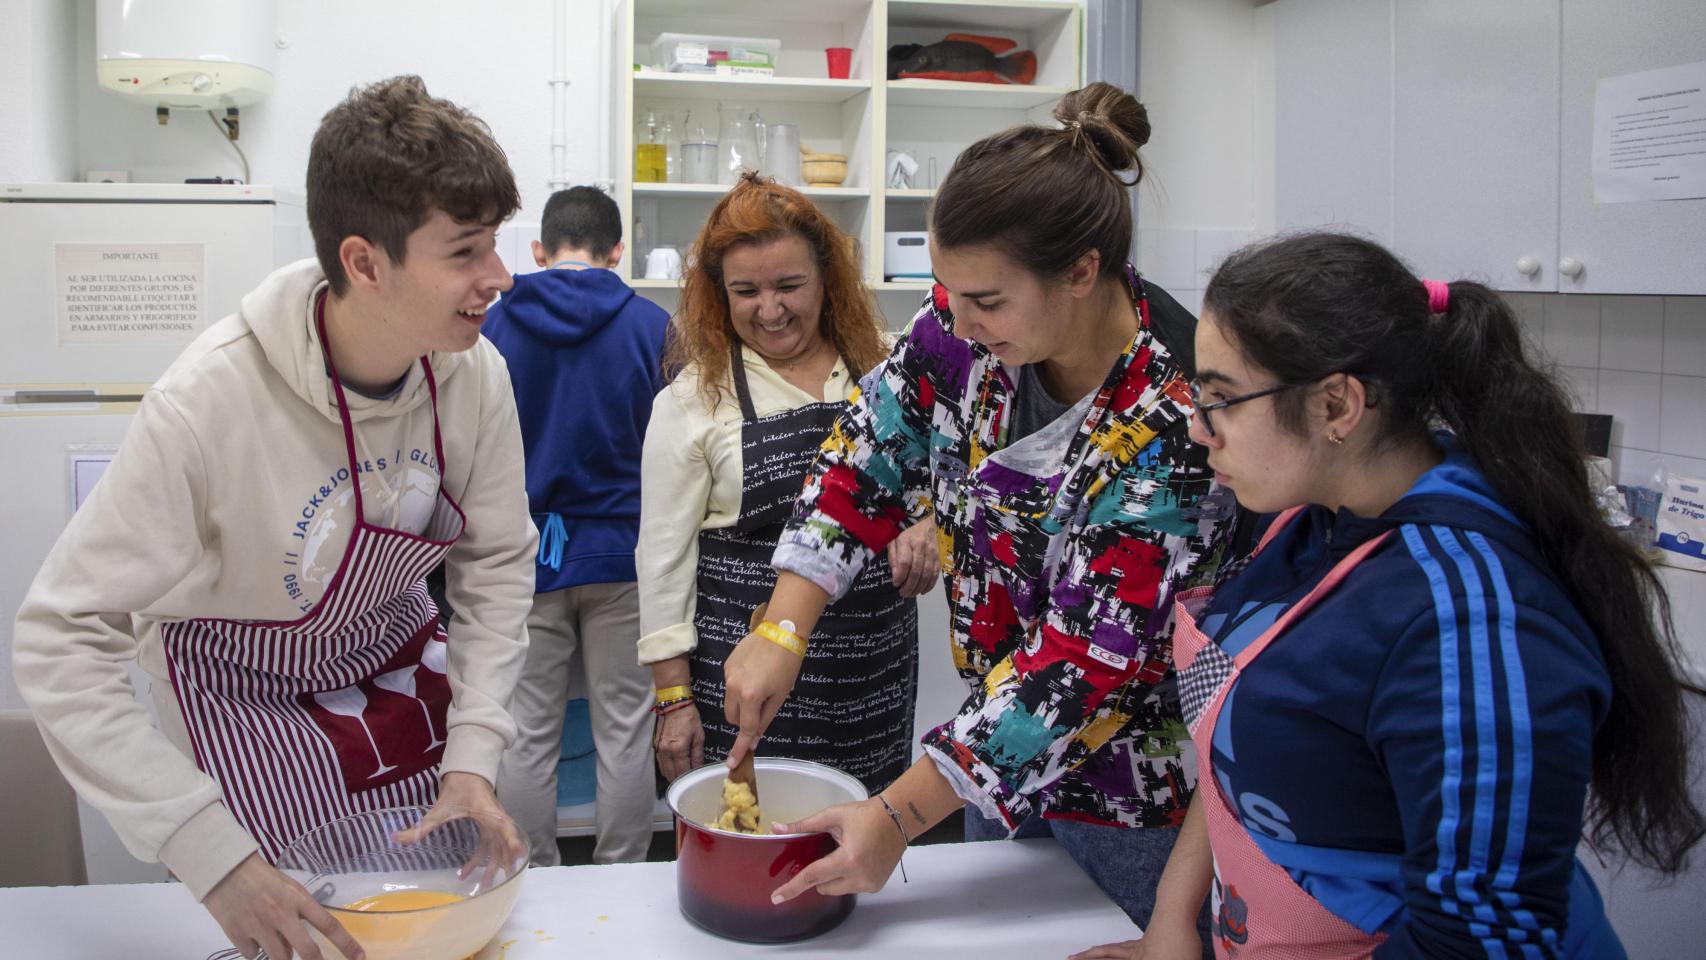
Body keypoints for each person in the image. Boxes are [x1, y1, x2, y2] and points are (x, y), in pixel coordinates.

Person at [12, 76, 537, 960]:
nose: (500, 275)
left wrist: (474, 756)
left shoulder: (472, 376)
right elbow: (57, 638)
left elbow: (495, 564)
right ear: (365, 263)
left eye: (494, 243)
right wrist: (210, 857)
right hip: (243, 714)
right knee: (301, 939)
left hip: (396, 691)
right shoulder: (207, 405)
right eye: (466, 251)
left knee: (429, 931)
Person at [1078, 231, 1705, 959]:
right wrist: (1170, 925)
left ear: (1337, 405)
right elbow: (1234, 740)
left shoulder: (1468, 616)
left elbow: (1479, 938)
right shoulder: (1307, 522)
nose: (1198, 429)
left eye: (1222, 400)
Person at [719, 82, 1233, 940]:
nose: (955, 321)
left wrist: (896, 816)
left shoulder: (1174, 420)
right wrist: (783, 625)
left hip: (1135, 803)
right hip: (986, 764)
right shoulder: (962, 327)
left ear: (1082, 272)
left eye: (986, 301)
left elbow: (1079, 665)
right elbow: (869, 451)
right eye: (945, 289)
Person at [636, 172, 936, 793]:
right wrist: (672, 698)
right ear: (719, 293)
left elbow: (961, 474)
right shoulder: (694, 398)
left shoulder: (887, 367)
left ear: (827, 279)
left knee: (865, 828)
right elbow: (663, 561)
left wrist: (933, 524)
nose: (769, 310)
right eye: (746, 291)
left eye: (789, 286)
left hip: (871, 677)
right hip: (744, 684)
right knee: (754, 832)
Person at [485, 186, 670, 866]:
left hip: (526, 556)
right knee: (624, 728)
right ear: (617, 251)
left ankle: (534, 875)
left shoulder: (492, 326)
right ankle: (622, 874)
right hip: (625, 557)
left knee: (526, 730)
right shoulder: (654, 327)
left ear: (539, 250)